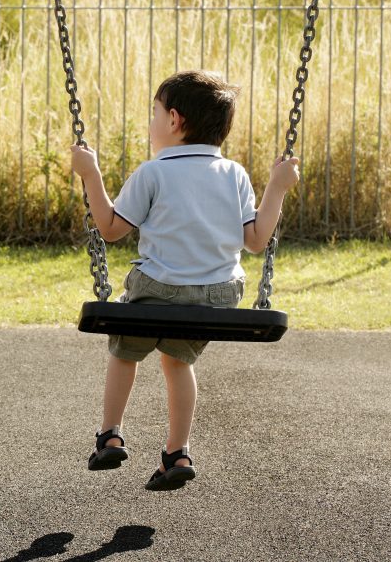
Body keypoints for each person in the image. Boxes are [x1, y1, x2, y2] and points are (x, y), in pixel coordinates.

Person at [70, 69, 299, 490]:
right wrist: (278, 188)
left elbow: (110, 228)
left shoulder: (153, 173)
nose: (152, 122)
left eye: (154, 113)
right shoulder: (235, 175)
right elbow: (255, 240)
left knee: (124, 350)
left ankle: (111, 434)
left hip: (156, 289)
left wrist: (90, 174)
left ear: (173, 120)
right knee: (178, 362)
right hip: (217, 297)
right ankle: (177, 452)